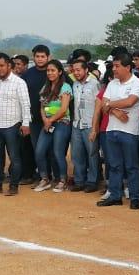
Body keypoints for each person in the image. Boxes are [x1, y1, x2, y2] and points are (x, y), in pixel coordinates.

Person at [97, 51, 139, 210]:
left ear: (128, 67)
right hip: (112, 129)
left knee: (132, 166)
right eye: (113, 66)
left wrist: (110, 105)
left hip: (129, 131)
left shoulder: (137, 83)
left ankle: (135, 197)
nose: (114, 70)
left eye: (117, 66)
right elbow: (103, 105)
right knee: (114, 165)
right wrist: (116, 110)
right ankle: (116, 196)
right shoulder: (112, 84)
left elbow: (130, 102)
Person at [0, 53, 32, 196]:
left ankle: (13, 186)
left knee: (15, 158)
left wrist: (25, 124)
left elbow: (25, 104)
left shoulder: (19, 82)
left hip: (13, 125)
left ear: (9, 65)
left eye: (1, 66)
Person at [33, 59, 73, 192]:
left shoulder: (65, 87)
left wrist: (50, 120)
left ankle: (62, 180)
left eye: (53, 70)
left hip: (62, 123)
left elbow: (63, 109)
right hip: (48, 123)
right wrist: (45, 119)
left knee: (58, 152)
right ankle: (45, 179)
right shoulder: (45, 87)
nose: (49, 73)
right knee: (39, 151)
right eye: (48, 71)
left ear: (60, 72)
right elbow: (42, 107)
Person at [68, 58, 101, 193]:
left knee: (92, 154)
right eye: (74, 70)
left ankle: (93, 181)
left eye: (78, 70)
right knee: (76, 154)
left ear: (86, 70)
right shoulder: (74, 84)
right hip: (77, 124)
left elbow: (98, 107)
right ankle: (79, 181)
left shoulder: (95, 84)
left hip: (89, 125)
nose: (76, 73)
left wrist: (95, 128)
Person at [21, 45, 50, 184]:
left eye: (43, 56)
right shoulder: (28, 74)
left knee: (51, 149)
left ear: (48, 57)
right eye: (37, 56)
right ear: (34, 58)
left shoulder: (53, 72)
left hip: (51, 119)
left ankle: (51, 175)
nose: (40, 59)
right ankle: (37, 174)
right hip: (33, 118)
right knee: (35, 148)